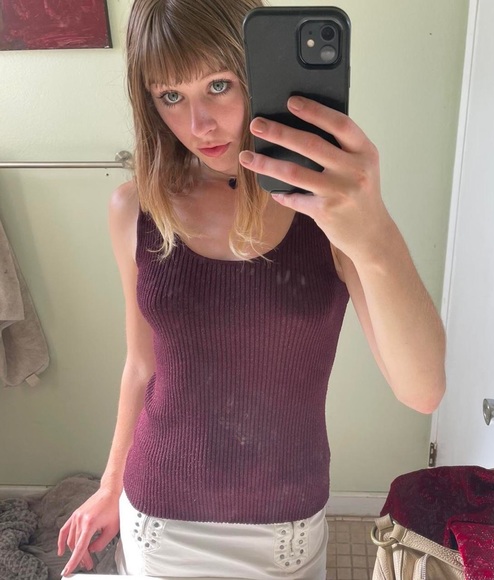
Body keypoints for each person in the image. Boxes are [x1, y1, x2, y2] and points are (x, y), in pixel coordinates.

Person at [57, 0, 446, 577]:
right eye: (171, 96)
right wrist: (111, 484)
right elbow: (141, 364)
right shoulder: (135, 208)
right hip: (158, 520)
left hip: (285, 527)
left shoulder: (329, 212)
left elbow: (423, 392)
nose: (199, 125)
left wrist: (376, 232)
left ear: (259, 73)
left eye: (218, 85)